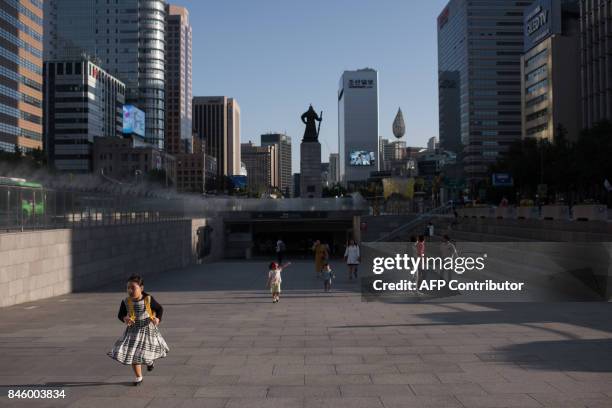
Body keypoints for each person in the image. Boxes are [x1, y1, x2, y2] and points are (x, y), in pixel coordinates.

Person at [108, 274, 169, 386]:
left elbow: (159, 308)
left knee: (146, 353)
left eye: (133, 288)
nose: (130, 290)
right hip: (133, 331)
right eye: (128, 288)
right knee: (134, 354)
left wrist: (157, 319)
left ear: (141, 288)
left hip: (147, 330)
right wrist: (125, 318)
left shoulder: (148, 299)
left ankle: (149, 362)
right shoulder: (126, 301)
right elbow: (120, 314)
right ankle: (138, 377)